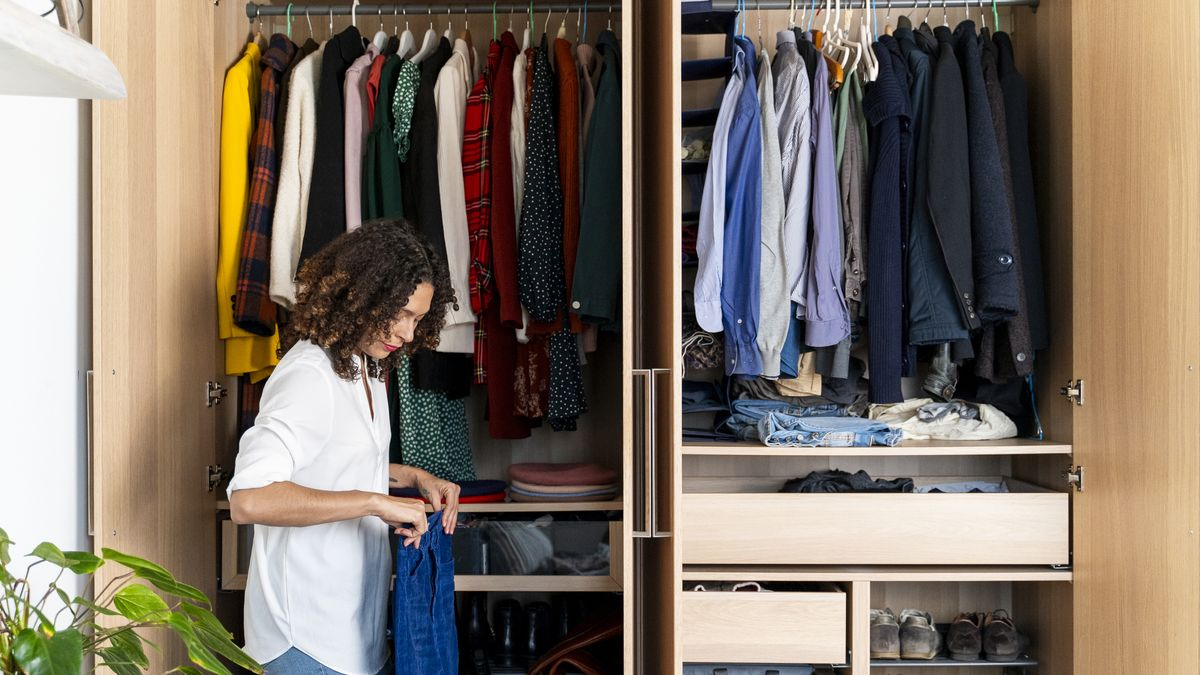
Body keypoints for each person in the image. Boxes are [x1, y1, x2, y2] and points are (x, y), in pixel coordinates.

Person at [228, 219, 463, 675]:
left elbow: (340, 455)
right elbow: (249, 499)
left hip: (352, 633)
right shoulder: (309, 375)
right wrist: (377, 503)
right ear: (363, 295)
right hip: (303, 638)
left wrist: (414, 478)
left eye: (418, 318)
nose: (410, 332)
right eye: (403, 313)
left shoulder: (363, 365)